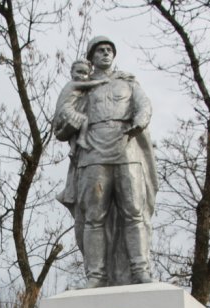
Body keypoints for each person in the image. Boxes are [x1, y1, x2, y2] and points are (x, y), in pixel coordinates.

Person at [54, 36, 158, 288]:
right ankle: (96, 276)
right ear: (91, 57)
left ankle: (140, 270)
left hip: (126, 150)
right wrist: (74, 119)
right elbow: (60, 124)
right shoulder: (82, 86)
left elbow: (144, 106)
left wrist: (140, 120)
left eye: (109, 49)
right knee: (93, 216)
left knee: (134, 211)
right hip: (93, 154)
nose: (105, 53)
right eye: (100, 50)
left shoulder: (128, 82)